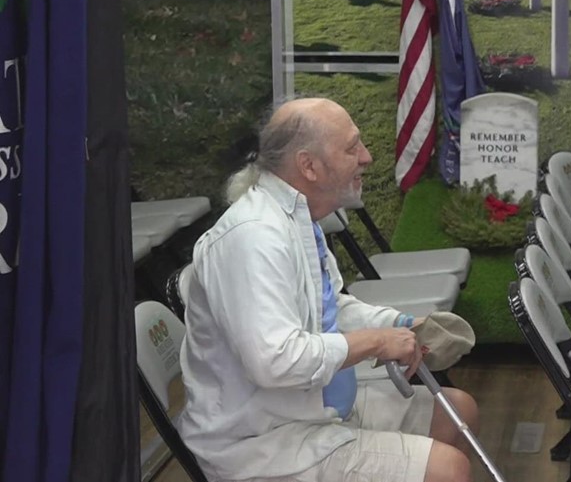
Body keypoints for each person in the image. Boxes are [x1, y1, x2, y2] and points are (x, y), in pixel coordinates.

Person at [177, 97, 478, 482]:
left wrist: (403, 323)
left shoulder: (298, 218)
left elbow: (328, 307)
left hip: (313, 409)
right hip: (262, 443)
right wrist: (375, 342)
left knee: (457, 412)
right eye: (352, 147)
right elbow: (275, 361)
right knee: (448, 470)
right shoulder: (253, 238)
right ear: (309, 166)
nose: (367, 157)